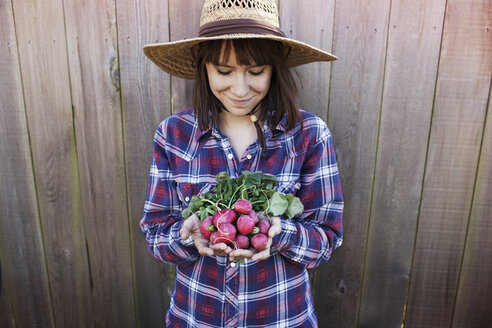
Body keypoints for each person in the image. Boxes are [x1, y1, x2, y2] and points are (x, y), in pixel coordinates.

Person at [140, 0, 343, 327]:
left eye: (256, 71)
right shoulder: (173, 135)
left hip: (281, 318)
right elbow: (154, 234)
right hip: (196, 318)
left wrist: (280, 233)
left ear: (274, 68)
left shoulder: (308, 135)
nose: (239, 89)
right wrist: (187, 235)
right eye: (223, 71)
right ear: (203, 66)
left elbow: (326, 240)